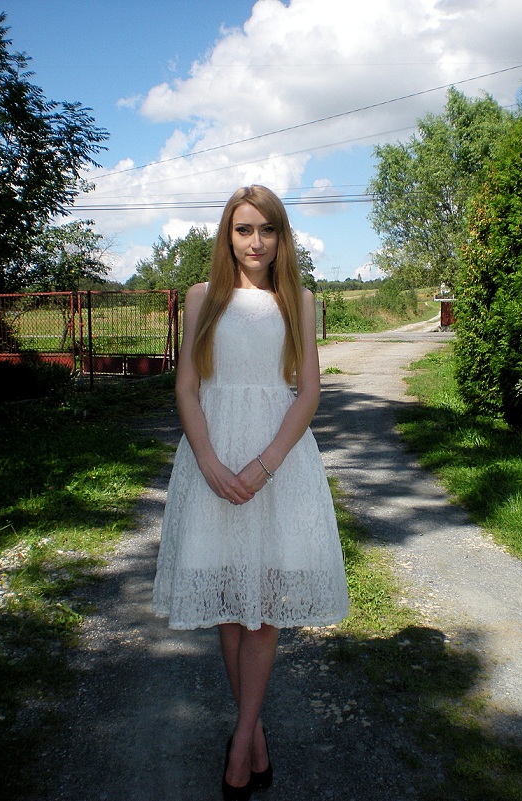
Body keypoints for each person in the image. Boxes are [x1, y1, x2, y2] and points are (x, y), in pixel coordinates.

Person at [153, 185, 349, 800]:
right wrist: (209, 460)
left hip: (277, 465)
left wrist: (265, 466)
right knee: (230, 602)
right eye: (243, 229)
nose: (255, 242)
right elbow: (187, 388)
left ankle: (240, 743)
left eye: (267, 229)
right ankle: (255, 735)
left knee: (261, 605)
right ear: (228, 236)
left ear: (281, 237)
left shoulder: (300, 301)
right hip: (211, 460)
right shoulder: (201, 298)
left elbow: (308, 394)